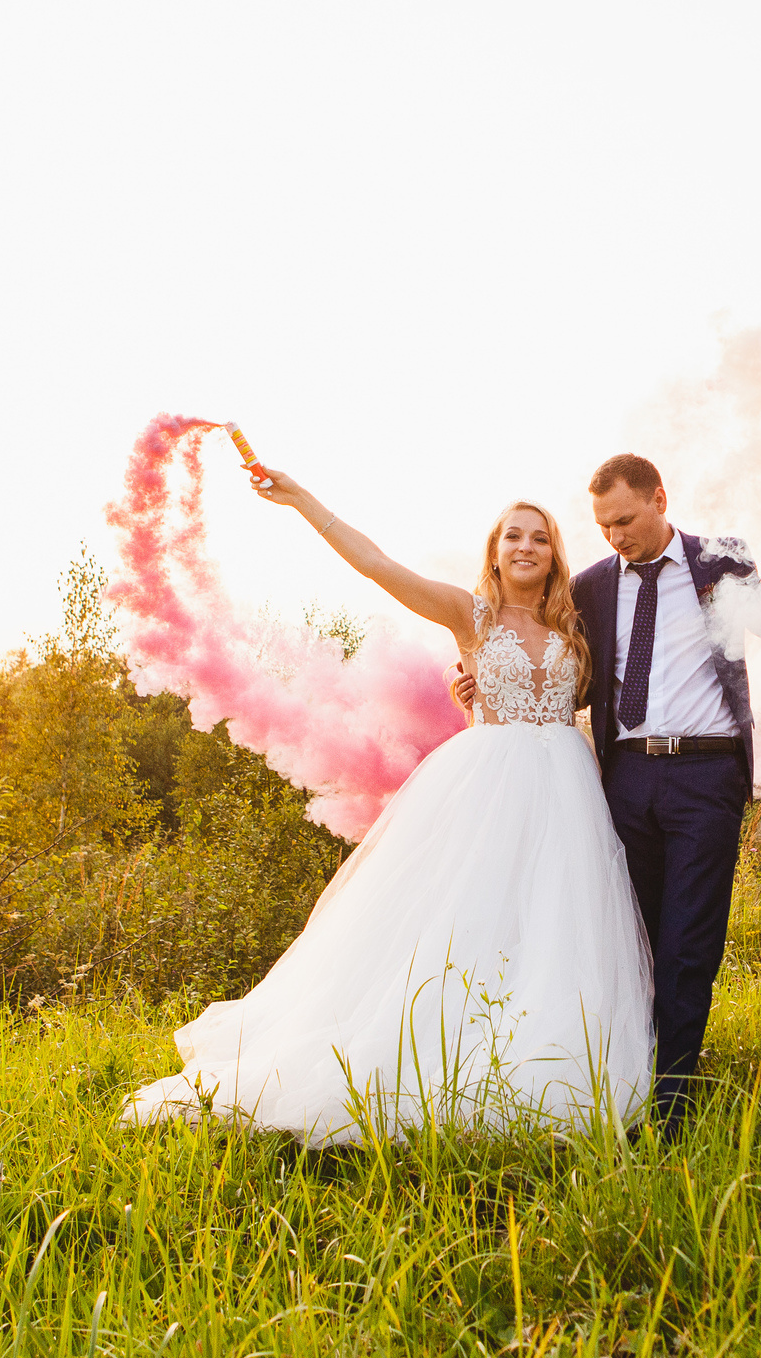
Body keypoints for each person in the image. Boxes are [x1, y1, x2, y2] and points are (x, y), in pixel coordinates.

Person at [119, 473, 653, 1145]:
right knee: (472, 923)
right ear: (494, 552)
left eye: (539, 536)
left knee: (556, 925)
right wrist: (302, 499)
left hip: (570, 792)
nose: (526, 545)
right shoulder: (472, 614)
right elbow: (378, 567)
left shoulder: (574, 622)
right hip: (493, 784)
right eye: (513, 535)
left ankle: (550, 1055)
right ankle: (446, 1053)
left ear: (554, 552)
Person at [452, 454, 761, 1135]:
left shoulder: (719, 562)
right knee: (628, 937)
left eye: (625, 519)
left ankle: (670, 1104)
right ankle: (625, 1074)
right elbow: (559, 673)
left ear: (659, 499)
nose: (615, 535)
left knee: (688, 941)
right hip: (624, 779)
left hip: (707, 773)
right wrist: (476, 684)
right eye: (603, 525)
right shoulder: (590, 586)